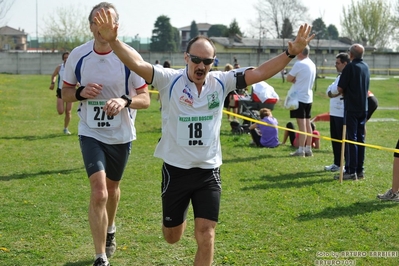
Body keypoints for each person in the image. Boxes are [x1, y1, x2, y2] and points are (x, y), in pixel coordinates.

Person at [94, 9, 314, 264]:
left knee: (207, 234)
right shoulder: (169, 79)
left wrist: (290, 52)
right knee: (172, 236)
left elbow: (262, 72)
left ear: (214, 62)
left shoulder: (222, 81)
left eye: (207, 61)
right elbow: (137, 64)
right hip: (176, 170)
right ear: (186, 57)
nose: (201, 66)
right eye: (196, 59)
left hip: (209, 171)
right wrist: (113, 41)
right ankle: (179, 218)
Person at [61, 3, 150, 266]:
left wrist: (124, 101)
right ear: (91, 26)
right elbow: (64, 93)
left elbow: (145, 98)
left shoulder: (129, 56)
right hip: (90, 131)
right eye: (98, 21)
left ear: (116, 26)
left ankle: (111, 227)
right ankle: (100, 256)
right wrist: (80, 93)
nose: (103, 26)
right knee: (99, 192)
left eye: (108, 21)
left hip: (120, 133)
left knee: (113, 188)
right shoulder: (78, 56)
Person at [330, 44, 370, 181]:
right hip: (363, 107)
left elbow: (340, 88)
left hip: (351, 108)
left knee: (350, 139)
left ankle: (350, 171)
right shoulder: (366, 67)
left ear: (351, 55)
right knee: (360, 139)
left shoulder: (350, 67)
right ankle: (360, 170)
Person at [286, 45, 316, 157]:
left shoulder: (299, 64)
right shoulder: (312, 64)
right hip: (308, 96)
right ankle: (308, 148)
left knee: (302, 125)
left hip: (299, 97)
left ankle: (301, 150)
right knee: (308, 124)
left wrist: (296, 81)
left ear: (300, 52)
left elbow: (289, 78)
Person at [324, 52, 350, 172]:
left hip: (342, 112)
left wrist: (333, 91)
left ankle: (346, 165)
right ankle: (337, 163)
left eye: (338, 63)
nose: (336, 65)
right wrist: (332, 92)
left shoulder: (347, 75)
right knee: (335, 139)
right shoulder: (339, 76)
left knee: (342, 140)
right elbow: (330, 90)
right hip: (334, 112)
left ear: (345, 63)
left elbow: (338, 90)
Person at [49, 51, 73, 135]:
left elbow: (78, 77)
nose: (66, 59)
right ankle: (65, 128)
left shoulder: (73, 67)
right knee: (60, 111)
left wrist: (78, 83)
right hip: (60, 91)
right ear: (63, 59)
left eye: (68, 57)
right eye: (65, 57)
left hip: (70, 90)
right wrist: (52, 83)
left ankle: (66, 128)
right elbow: (54, 75)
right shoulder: (60, 67)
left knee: (68, 111)